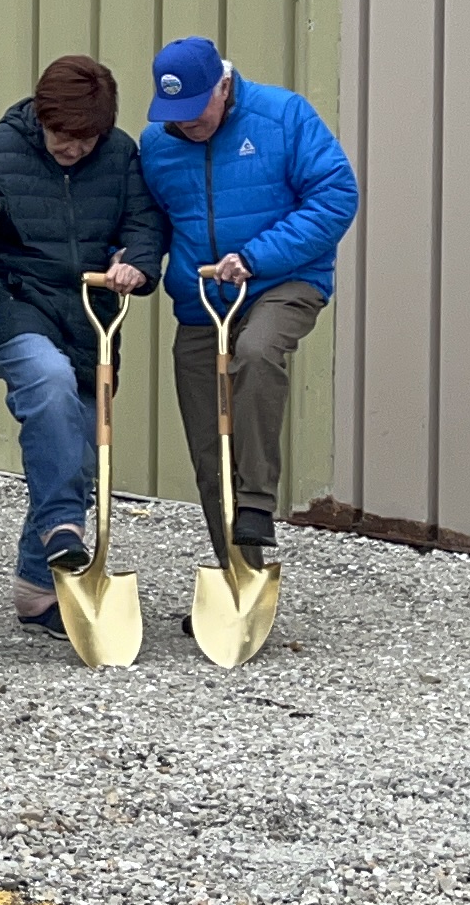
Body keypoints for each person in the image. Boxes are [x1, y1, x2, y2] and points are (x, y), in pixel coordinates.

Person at [0, 55, 165, 634]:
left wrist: (138, 265)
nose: (69, 149)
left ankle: (36, 590)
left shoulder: (121, 154)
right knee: (46, 381)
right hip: (10, 297)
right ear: (41, 116)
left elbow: (143, 226)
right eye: (59, 136)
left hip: (88, 310)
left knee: (76, 446)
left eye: (83, 139)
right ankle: (63, 528)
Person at [136, 37, 360, 559]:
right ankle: (239, 576)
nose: (187, 126)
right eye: (175, 115)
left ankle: (257, 500)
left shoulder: (283, 116)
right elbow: (149, 220)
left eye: (196, 112)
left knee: (257, 353)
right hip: (203, 300)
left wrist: (256, 257)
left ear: (224, 85)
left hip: (282, 282)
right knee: (209, 443)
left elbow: (335, 196)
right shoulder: (158, 143)